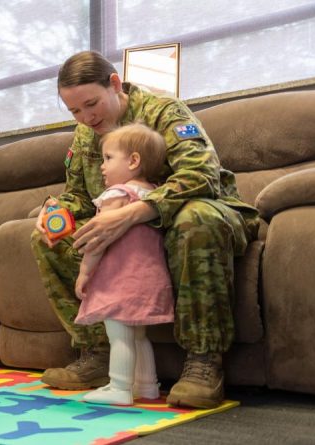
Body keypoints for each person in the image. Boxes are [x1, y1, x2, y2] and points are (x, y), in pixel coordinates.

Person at [32, 50, 259, 409]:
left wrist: (137, 211)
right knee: (50, 238)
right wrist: (54, 210)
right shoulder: (84, 136)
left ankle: (203, 361)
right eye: (75, 111)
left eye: (91, 104)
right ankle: (99, 355)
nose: (86, 117)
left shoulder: (164, 112)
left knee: (195, 218)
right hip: (129, 234)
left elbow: (201, 176)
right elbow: (76, 194)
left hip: (201, 212)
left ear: (115, 84)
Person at [71, 123, 174, 405]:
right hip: (149, 278)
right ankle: (147, 386)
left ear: (133, 161)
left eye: (107, 158)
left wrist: (84, 271)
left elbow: (97, 239)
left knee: (119, 335)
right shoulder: (152, 195)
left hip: (121, 279)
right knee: (139, 336)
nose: (102, 167)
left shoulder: (116, 195)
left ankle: (119, 387)